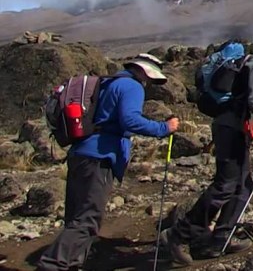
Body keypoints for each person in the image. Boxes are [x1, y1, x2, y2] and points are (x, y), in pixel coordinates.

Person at [163, 28, 253, 265]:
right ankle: (179, 235)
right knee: (226, 184)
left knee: (243, 183)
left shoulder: (251, 63)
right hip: (230, 128)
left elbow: (248, 99)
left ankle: (222, 237)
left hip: (232, 126)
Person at [37, 55, 180, 271]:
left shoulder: (107, 83)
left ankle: (72, 264)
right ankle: (53, 266)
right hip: (101, 156)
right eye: (150, 78)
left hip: (81, 152)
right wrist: (164, 129)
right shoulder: (131, 86)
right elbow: (130, 120)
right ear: (142, 71)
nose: (149, 83)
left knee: (76, 216)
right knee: (87, 219)